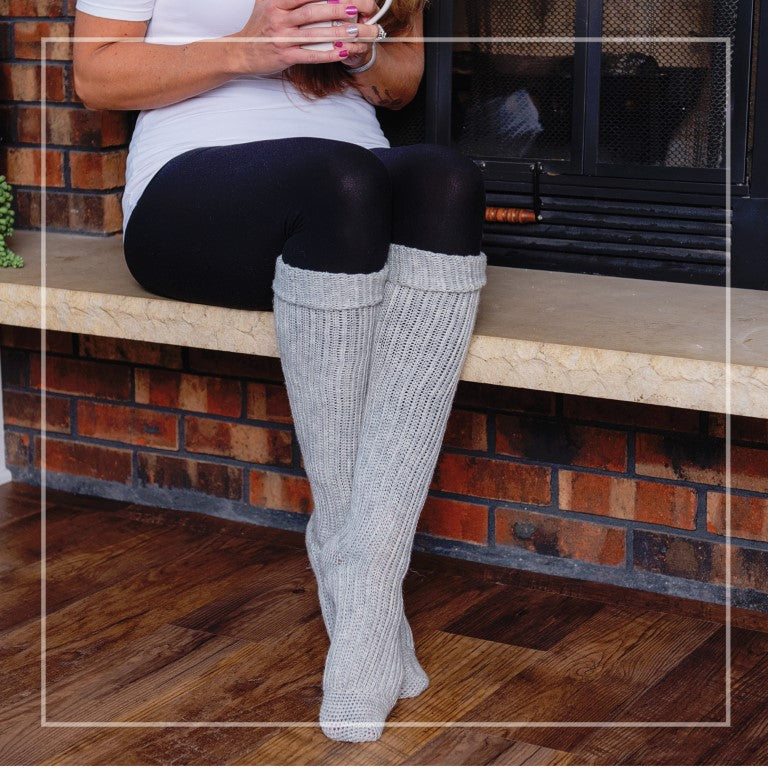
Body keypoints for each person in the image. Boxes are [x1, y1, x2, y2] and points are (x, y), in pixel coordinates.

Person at [73, 0, 487, 743]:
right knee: (342, 181)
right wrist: (246, 49)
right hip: (194, 187)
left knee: (447, 177)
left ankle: (359, 580)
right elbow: (96, 74)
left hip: (355, 171)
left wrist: (360, 53)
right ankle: (370, 615)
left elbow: (401, 80)